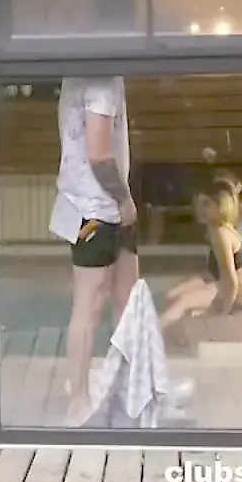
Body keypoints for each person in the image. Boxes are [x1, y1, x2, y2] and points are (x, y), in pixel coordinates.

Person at [48, 76, 138, 423]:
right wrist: (124, 199)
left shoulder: (79, 75)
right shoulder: (102, 83)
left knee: (129, 298)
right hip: (96, 209)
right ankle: (79, 399)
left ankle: (131, 383)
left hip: (101, 205)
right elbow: (99, 155)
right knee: (91, 302)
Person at [161, 179, 242, 345]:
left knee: (176, 329)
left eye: (206, 204)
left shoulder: (221, 234)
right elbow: (219, 279)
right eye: (199, 203)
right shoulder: (225, 229)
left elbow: (231, 282)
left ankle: (144, 340)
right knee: (183, 311)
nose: (200, 209)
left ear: (220, 206)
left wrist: (221, 314)